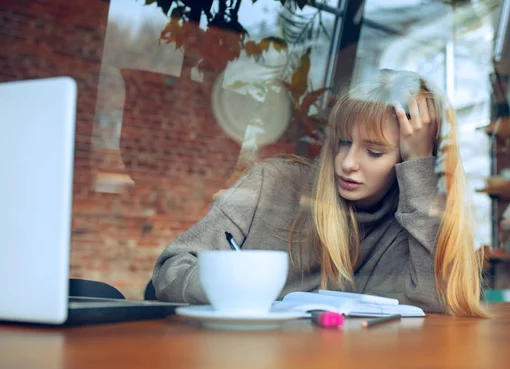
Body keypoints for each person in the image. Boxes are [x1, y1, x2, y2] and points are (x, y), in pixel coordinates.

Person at [152, 69, 486, 317]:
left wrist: (420, 172)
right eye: (343, 142)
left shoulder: (410, 222)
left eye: (373, 152)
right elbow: (170, 269)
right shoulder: (274, 183)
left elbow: (434, 301)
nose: (347, 162)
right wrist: (240, 291)